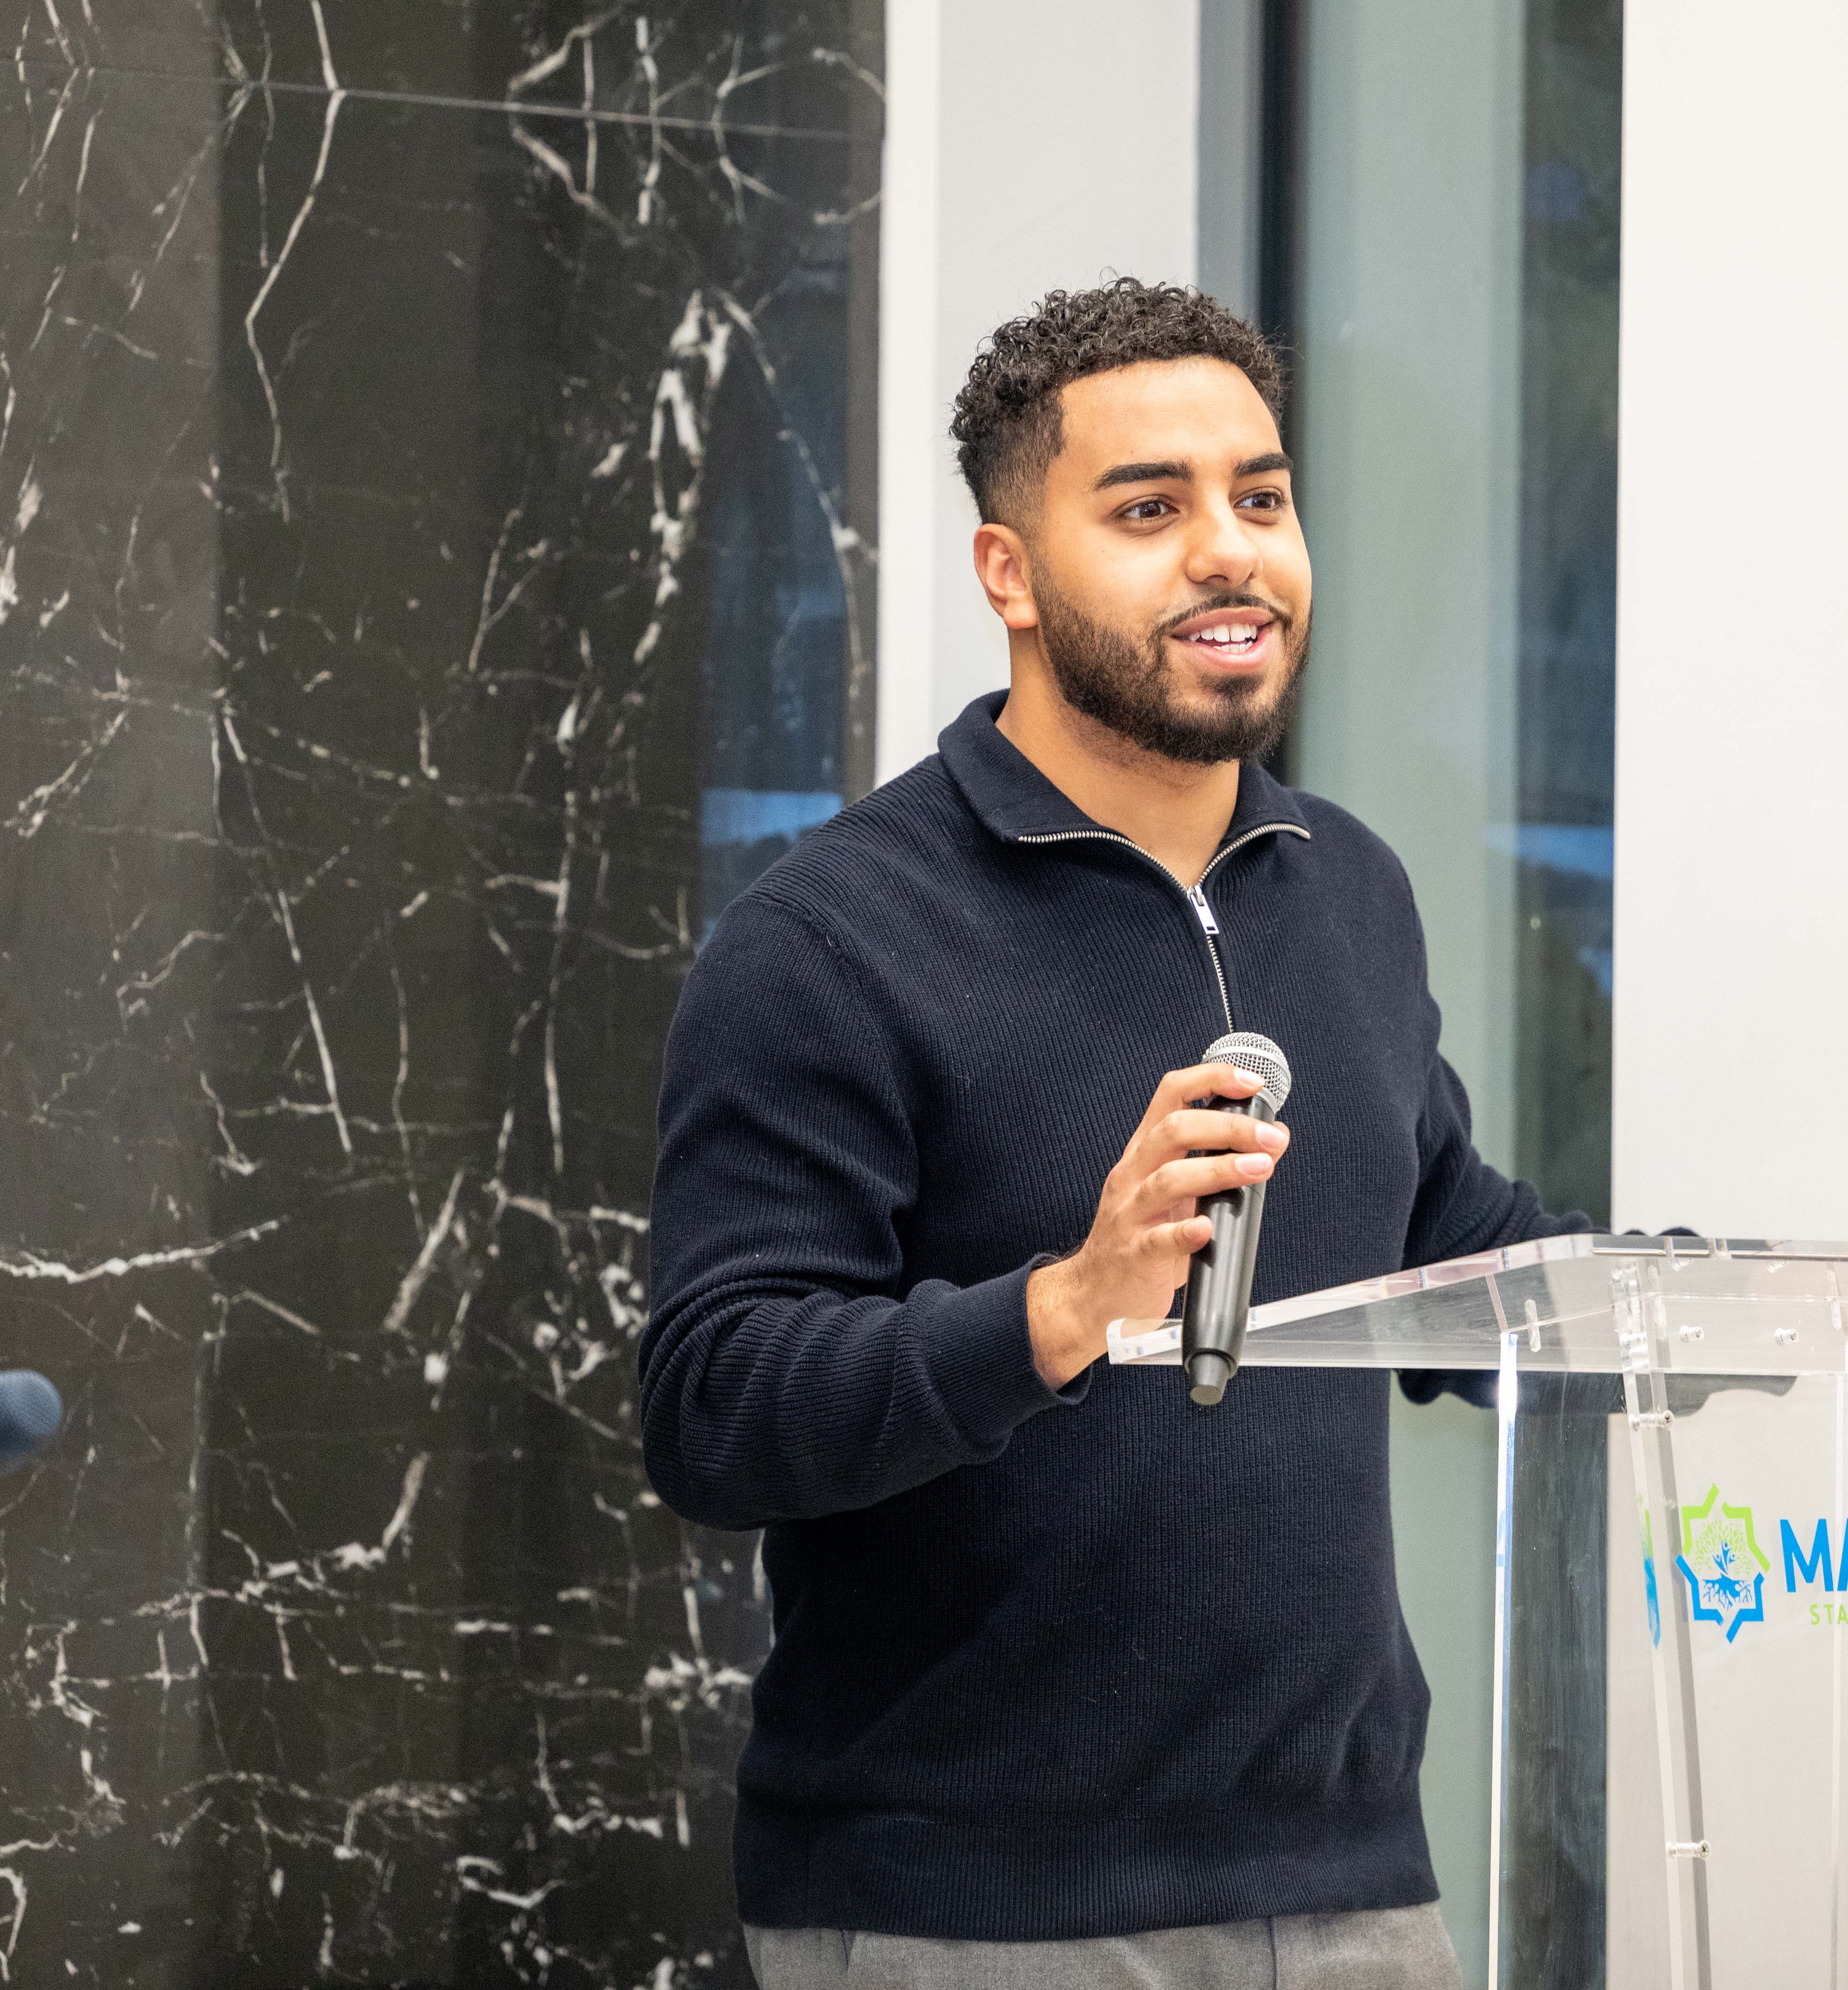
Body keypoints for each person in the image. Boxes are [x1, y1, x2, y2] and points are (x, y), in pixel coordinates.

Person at [641, 282, 1574, 1987]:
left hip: (1358, 1893)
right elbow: (714, 1406)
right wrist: (1063, 1308)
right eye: (1150, 509)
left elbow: (1468, 1255)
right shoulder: (833, 938)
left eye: (1263, 498)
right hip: (974, 1918)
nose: (1231, 551)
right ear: (1009, 572)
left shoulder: (1348, 889)